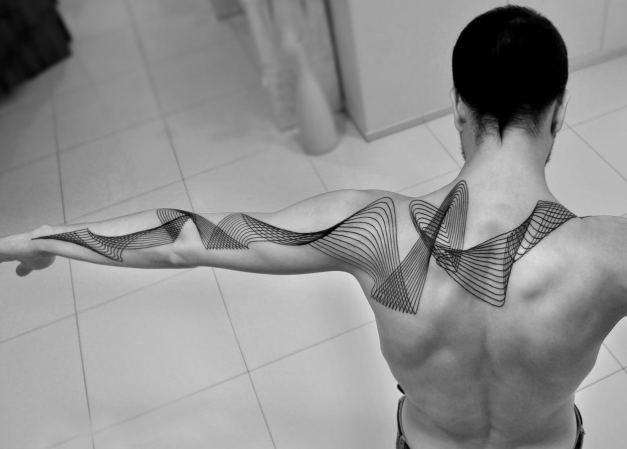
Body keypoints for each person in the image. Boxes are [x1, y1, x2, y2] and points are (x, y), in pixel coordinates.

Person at [0, 5, 624, 448]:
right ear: (561, 110)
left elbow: (185, 239)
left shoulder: (372, 227)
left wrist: (46, 237)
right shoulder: (609, 255)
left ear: (457, 106)